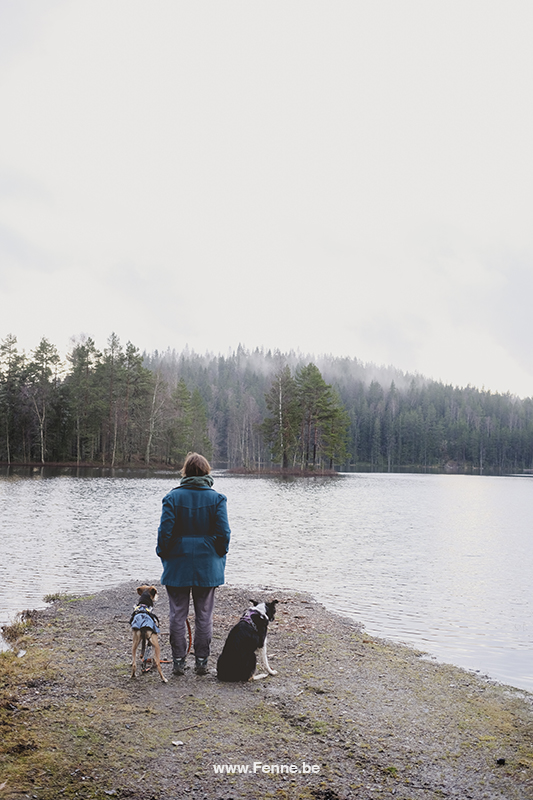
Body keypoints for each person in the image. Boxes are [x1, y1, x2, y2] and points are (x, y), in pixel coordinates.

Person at [156, 452, 231, 675]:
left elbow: (164, 533)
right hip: (208, 564)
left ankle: (178, 662)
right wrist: (217, 554)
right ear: (206, 472)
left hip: (178, 563)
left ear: (185, 472)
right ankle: (201, 662)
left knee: (177, 613)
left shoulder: (172, 498)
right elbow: (224, 534)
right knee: (204, 615)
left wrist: (164, 554)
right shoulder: (217, 498)